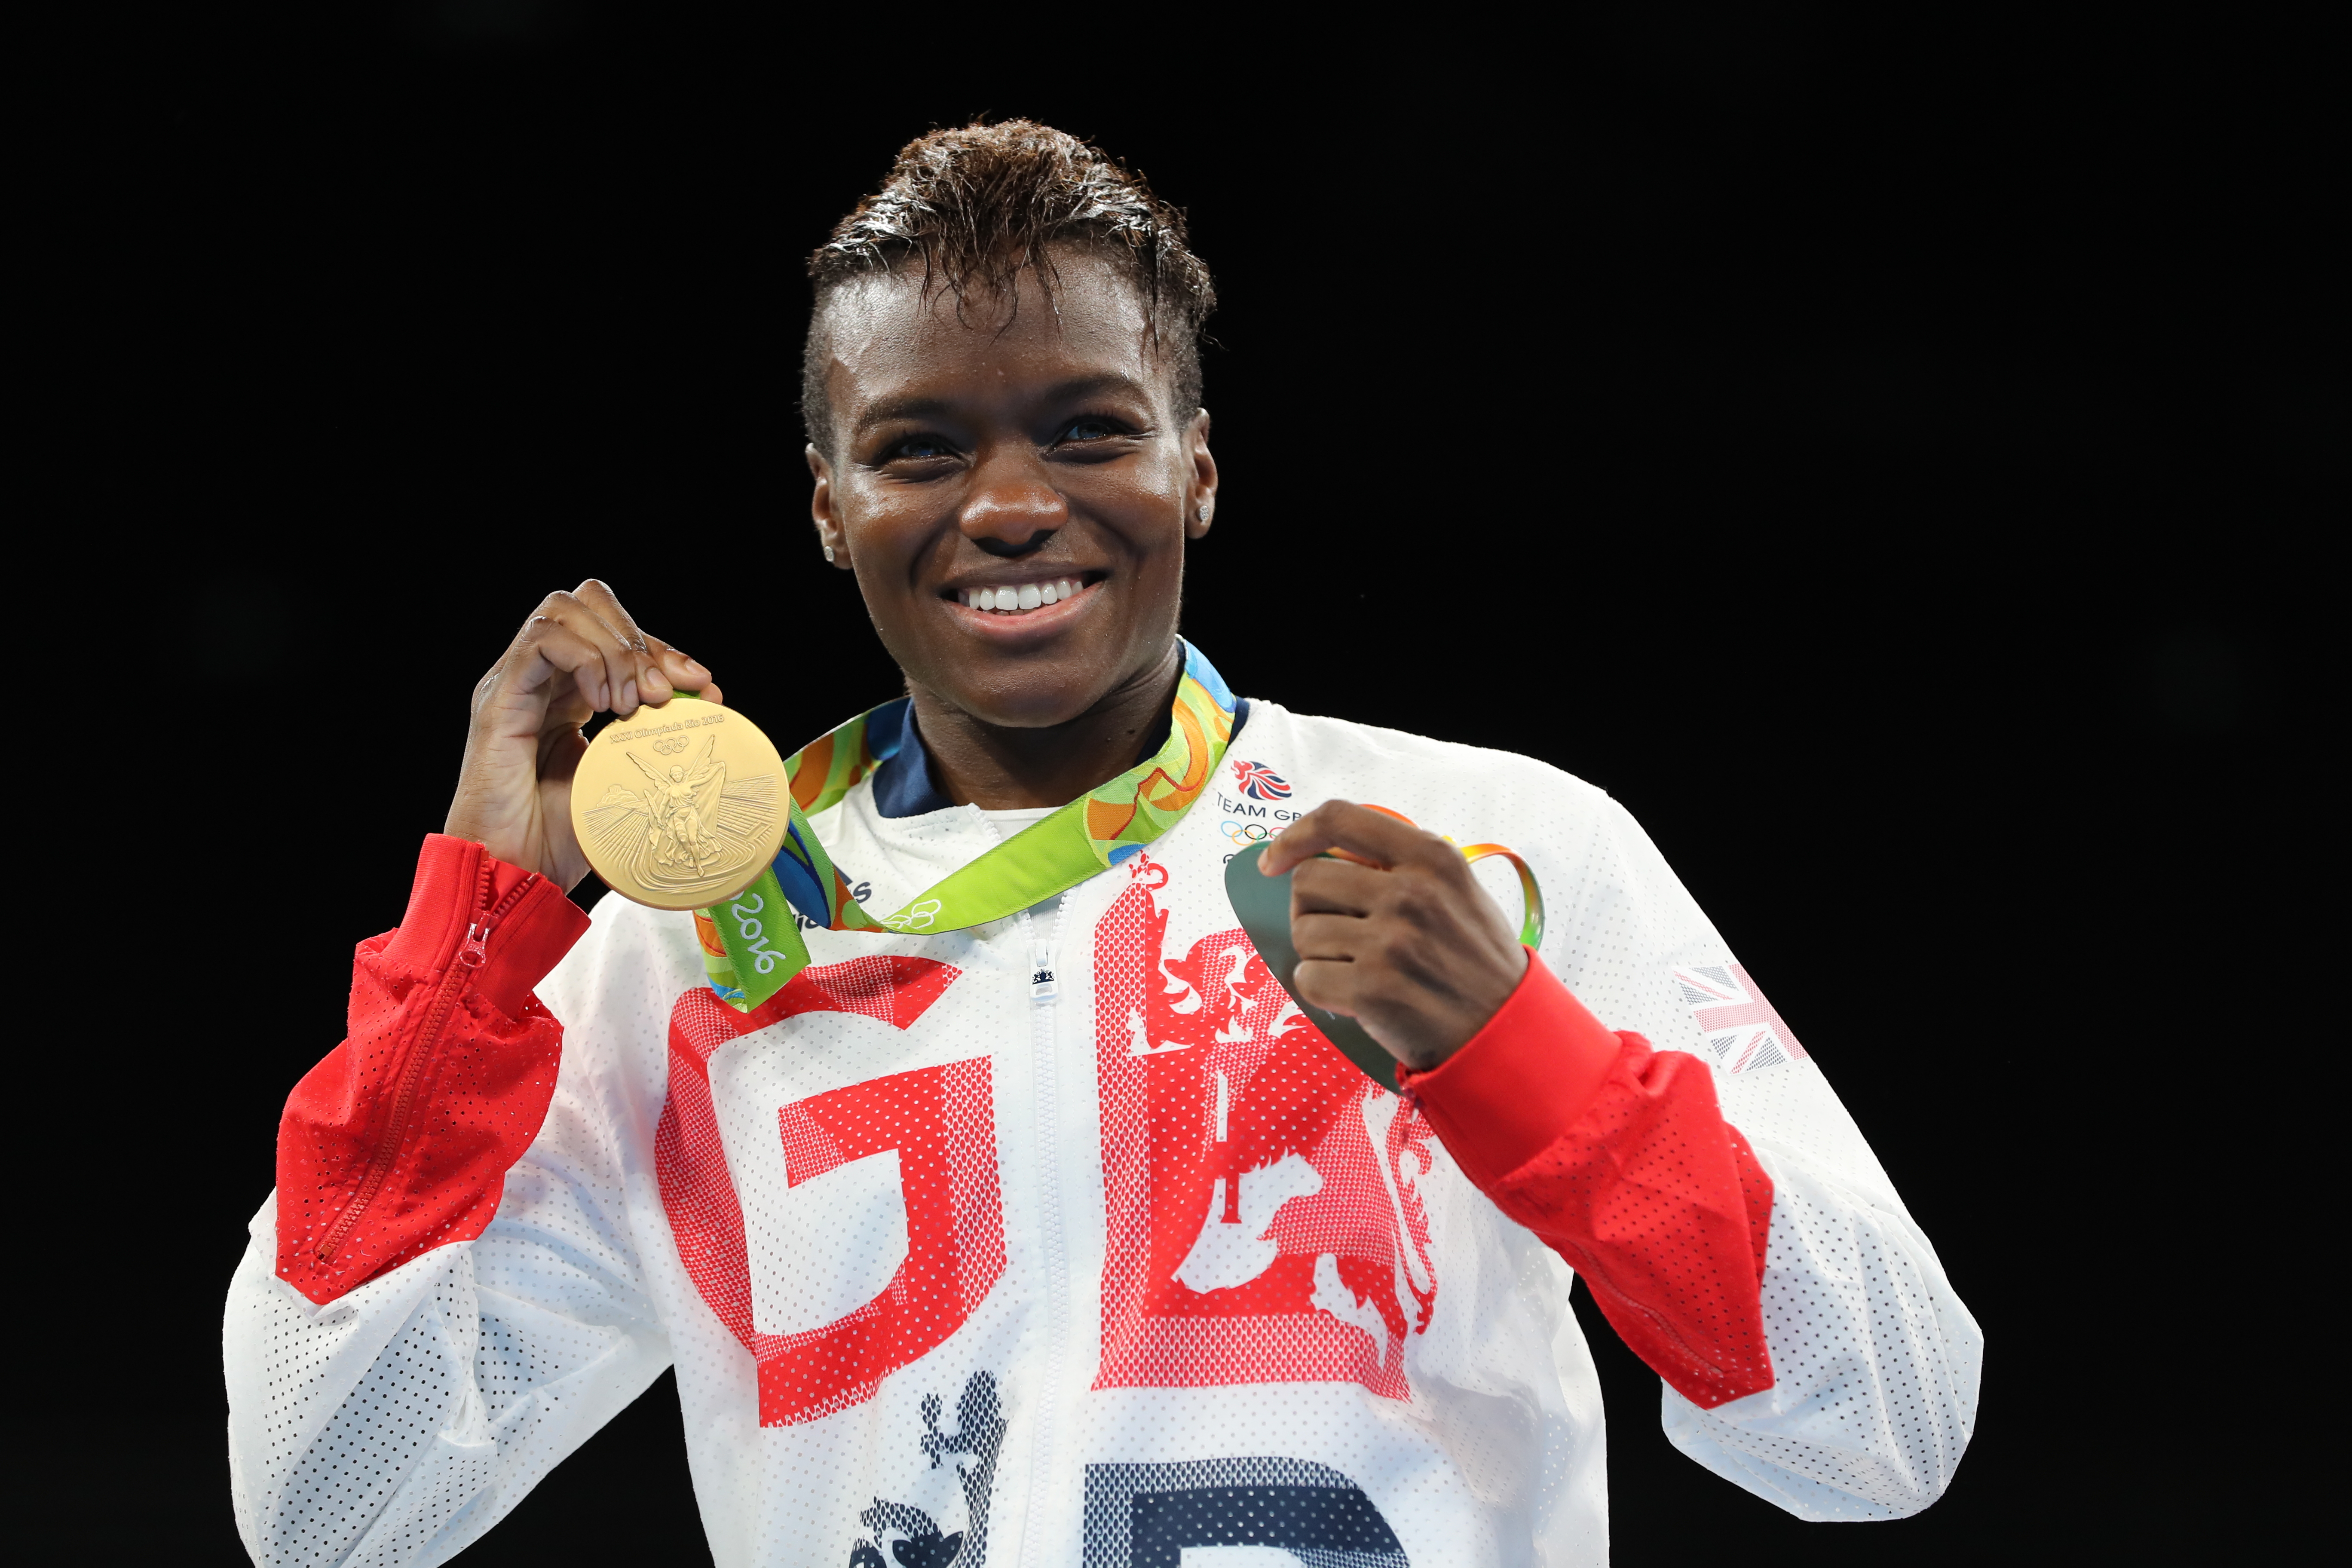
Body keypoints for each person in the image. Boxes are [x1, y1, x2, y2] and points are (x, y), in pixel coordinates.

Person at [225, 121, 1980, 1567]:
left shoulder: (1493, 853)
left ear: (1195, 469)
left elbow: (1883, 1425)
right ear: (832, 508)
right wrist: (483, 937)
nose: (1008, 506)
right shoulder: (679, 955)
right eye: (921, 449)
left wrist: (1526, 1061)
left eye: (1087, 429)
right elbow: (328, 1507)